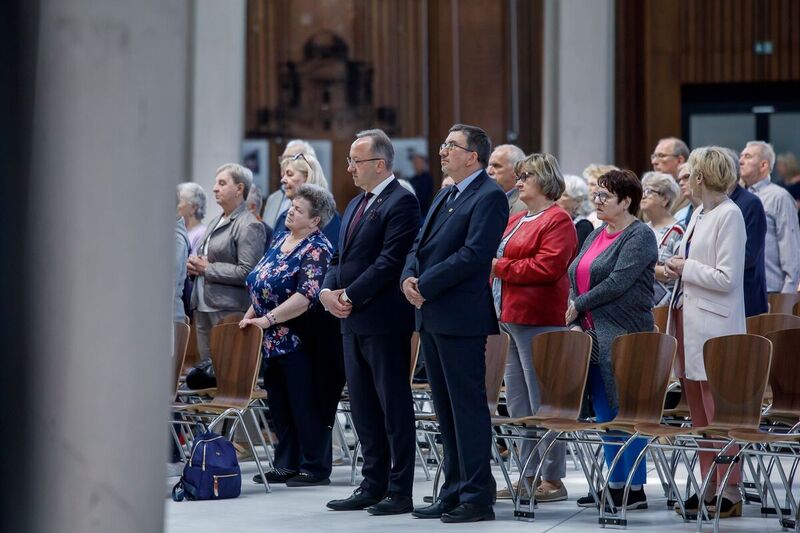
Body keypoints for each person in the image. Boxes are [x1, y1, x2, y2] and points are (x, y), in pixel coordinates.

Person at [401, 124, 508, 523]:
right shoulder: (446, 192)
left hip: (462, 315)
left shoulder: (490, 196)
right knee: (445, 410)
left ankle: (478, 496)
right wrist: (408, 277)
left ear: (473, 155)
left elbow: (475, 254)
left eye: (451, 146)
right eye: (443, 144)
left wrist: (425, 284)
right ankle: (453, 490)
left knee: (467, 409)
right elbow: (419, 245)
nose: (442, 151)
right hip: (431, 312)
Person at [321, 129, 421, 515]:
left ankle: (400, 488)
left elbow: (390, 261)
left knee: (392, 405)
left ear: (380, 164)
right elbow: (338, 259)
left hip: (383, 319)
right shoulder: (356, 203)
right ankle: (372, 482)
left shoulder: (402, 202)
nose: (349, 168)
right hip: (351, 320)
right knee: (362, 406)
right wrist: (328, 293)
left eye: (355, 161)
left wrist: (348, 295)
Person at [565, 169, 657, 511]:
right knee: (605, 413)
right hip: (593, 334)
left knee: (627, 411)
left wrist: (577, 306)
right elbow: (576, 273)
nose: (597, 202)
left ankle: (634, 489)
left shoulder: (640, 235)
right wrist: (576, 315)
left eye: (605, 196)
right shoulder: (597, 233)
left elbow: (618, 282)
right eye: (596, 196)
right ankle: (615, 483)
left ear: (626, 201)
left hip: (625, 335)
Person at [665, 146, 747, 518]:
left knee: (719, 410)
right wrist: (673, 269)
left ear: (701, 176)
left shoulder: (730, 215)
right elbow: (693, 267)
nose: (686, 178)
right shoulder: (699, 212)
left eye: (690, 172)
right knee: (698, 411)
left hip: (715, 324)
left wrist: (685, 268)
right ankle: (708, 484)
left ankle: (731, 487)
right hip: (688, 318)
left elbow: (728, 279)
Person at [491, 153, 577, 502]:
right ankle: (525, 475)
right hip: (509, 316)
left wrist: (498, 266)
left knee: (543, 400)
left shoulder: (559, 220)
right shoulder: (516, 219)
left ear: (545, 180)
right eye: (520, 175)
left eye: (527, 175)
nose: (520, 180)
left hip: (539, 317)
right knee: (517, 402)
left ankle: (552, 478)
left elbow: (547, 268)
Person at [239, 184, 336, 487]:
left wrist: (266, 319)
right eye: (291, 206)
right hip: (269, 337)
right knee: (279, 403)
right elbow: (261, 280)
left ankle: (314, 466)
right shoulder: (281, 237)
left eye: (298, 209)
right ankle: (286, 462)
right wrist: (251, 313)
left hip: (300, 337)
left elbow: (305, 296)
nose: (290, 211)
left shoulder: (317, 247)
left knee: (305, 402)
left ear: (315, 220)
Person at [188, 164, 267, 361]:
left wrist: (207, 268)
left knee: (225, 373)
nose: (215, 188)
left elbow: (248, 272)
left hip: (228, 309)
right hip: (203, 304)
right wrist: (194, 266)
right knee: (207, 375)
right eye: (216, 183)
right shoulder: (216, 221)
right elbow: (206, 258)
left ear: (240, 189)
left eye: (222, 183)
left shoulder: (250, 225)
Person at [739, 141, 800, 294]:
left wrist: (786, 298)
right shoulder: (735, 198)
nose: (740, 161)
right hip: (738, 290)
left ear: (763, 165)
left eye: (748, 156)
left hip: (770, 291)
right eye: (741, 156)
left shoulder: (779, 197)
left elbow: (790, 249)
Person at [724, 147, 767, 317]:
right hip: (722, 296)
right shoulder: (709, 204)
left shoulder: (750, 203)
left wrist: (710, 268)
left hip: (746, 297)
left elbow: (749, 255)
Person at [273, 153, 342, 250]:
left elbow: (331, 257)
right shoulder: (283, 216)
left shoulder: (328, 217)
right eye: (284, 175)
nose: (283, 180)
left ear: (307, 177)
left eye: (289, 174)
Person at [640, 172, 684, 306]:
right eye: (642, 191)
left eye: (649, 191)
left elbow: (674, 272)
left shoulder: (678, 231)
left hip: (666, 308)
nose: (643, 196)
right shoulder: (640, 229)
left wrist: (640, 269)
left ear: (665, 199)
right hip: (639, 305)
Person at [263, 139, 317, 228]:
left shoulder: (320, 205)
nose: (285, 163)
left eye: (291, 158)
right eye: (283, 159)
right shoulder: (273, 199)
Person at [650, 137, 691, 215]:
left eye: (661, 156)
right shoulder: (648, 191)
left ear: (679, 160)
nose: (654, 162)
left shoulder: (692, 191)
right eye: (654, 156)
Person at [487, 144, 527, 216]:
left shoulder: (525, 206)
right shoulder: (484, 198)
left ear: (517, 171)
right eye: (489, 165)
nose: (489, 171)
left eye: (496, 166)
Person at [558, 174, 594, 251]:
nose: (558, 197)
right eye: (559, 193)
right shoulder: (552, 220)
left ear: (578, 201)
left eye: (565, 195)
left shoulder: (583, 226)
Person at [582, 164, 619, 228]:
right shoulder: (590, 215)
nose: (588, 188)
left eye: (592, 184)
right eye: (588, 184)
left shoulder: (612, 216)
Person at [177, 182, 208, 255]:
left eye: (179, 201)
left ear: (193, 208)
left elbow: (194, 264)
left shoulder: (202, 233)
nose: (176, 206)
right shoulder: (181, 231)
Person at [674, 163, 700, 228]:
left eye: (686, 177)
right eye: (679, 180)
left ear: (699, 177)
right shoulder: (679, 215)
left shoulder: (718, 210)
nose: (681, 183)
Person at [408, 153, 434, 218]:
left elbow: (425, 196)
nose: (416, 165)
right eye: (415, 163)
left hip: (424, 211)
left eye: (418, 163)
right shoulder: (412, 180)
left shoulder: (427, 178)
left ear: (423, 164)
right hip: (413, 212)